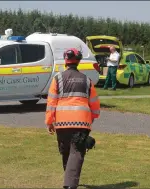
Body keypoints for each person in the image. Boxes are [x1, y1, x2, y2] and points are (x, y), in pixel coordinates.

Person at [45, 48, 101, 189]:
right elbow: (95, 104)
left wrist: (49, 121)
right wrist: (92, 117)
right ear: (79, 61)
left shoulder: (57, 79)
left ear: (65, 61)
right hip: (81, 123)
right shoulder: (87, 81)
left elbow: (51, 102)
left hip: (62, 124)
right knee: (76, 152)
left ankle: (69, 181)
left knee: (65, 151)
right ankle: (70, 184)